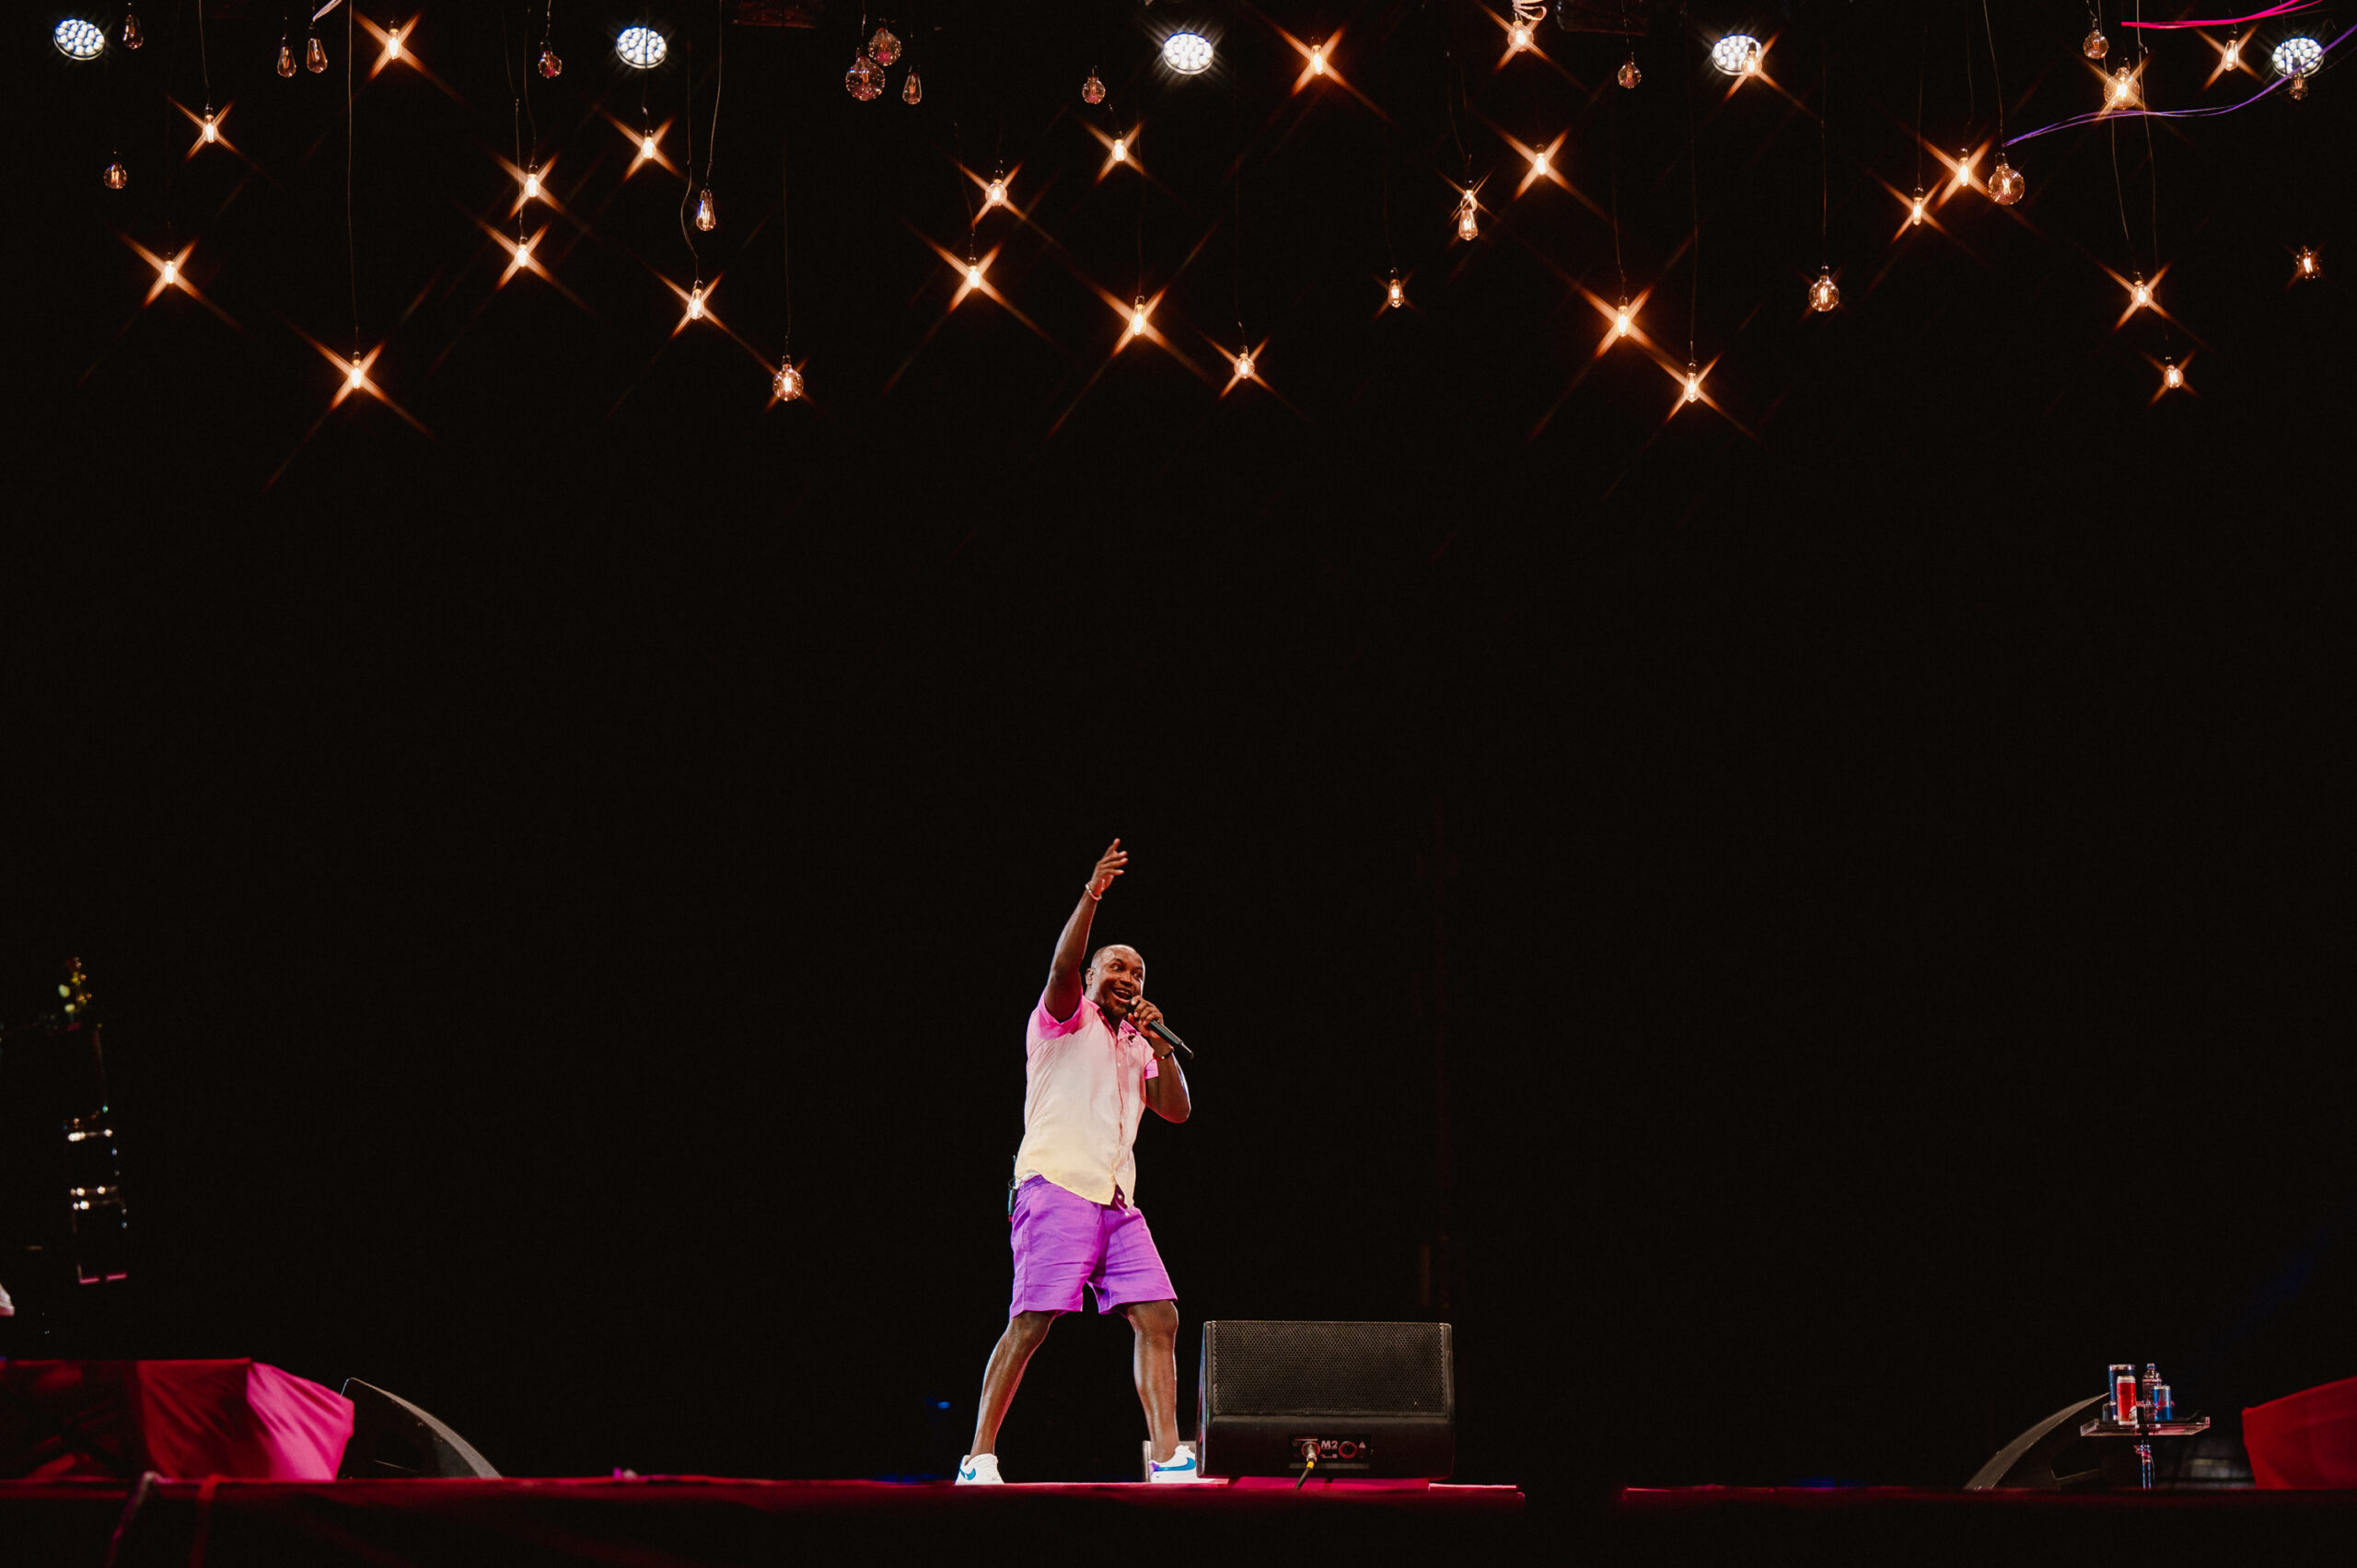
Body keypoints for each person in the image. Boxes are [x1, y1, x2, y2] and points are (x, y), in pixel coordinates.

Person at [958, 839, 1198, 1484]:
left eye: (1139, 973)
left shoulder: (1138, 1043)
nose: (1129, 979)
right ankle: (978, 1457)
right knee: (1031, 1322)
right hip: (1056, 1186)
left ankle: (1169, 1457)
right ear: (1091, 978)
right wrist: (1092, 894)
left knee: (1159, 1316)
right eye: (1116, 967)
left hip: (1116, 1200)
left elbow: (1176, 1111)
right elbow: (1062, 964)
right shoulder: (1064, 1018)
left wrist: (1161, 1049)